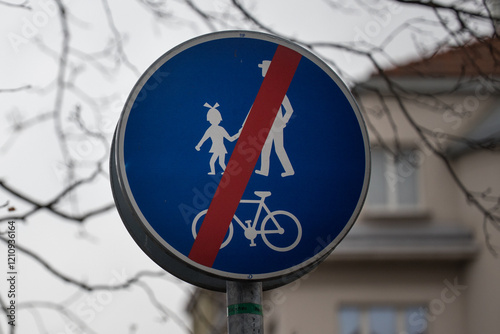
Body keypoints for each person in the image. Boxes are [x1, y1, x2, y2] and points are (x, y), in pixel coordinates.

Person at [255, 60, 295, 177]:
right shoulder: (265, 91)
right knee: (265, 147)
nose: (262, 71)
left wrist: (283, 121)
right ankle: (264, 170)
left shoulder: (279, 92)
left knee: (278, 147)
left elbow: (289, 109)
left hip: (277, 125)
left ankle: (289, 170)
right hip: (266, 125)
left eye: (264, 68)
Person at [195, 103, 239, 175]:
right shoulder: (211, 129)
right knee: (218, 162)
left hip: (219, 148)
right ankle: (216, 172)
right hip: (217, 148)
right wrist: (198, 145)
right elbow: (204, 138)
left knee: (218, 162)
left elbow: (230, 139)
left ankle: (220, 172)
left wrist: (239, 134)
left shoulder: (219, 129)